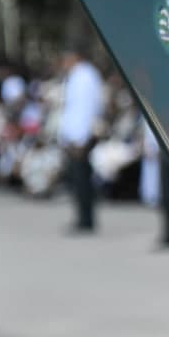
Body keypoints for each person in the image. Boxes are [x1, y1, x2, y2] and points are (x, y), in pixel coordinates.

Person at [57, 44, 104, 233]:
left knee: (83, 180)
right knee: (77, 180)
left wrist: (80, 139)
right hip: (74, 137)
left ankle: (86, 219)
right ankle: (82, 217)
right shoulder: (77, 76)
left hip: (81, 138)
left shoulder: (85, 77)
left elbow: (84, 110)